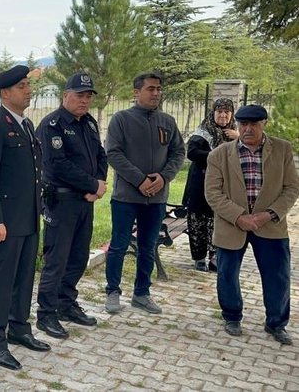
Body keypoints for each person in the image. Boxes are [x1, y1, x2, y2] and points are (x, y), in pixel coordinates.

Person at [205, 104, 299, 345]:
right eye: (243, 124)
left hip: (271, 224)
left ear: (264, 124)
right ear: (237, 125)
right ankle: (232, 316)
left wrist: (269, 214)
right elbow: (213, 193)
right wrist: (239, 217)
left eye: (254, 124)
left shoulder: (282, 149)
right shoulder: (219, 154)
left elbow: (291, 188)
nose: (247, 129)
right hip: (231, 224)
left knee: (278, 276)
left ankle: (276, 323)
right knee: (227, 274)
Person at [0, 65, 49, 371]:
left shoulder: (26, 125)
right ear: (5, 93)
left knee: (24, 277)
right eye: (22, 87)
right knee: (2, 282)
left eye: (28, 85)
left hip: (29, 217)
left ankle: (19, 327)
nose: (29, 90)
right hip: (6, 222)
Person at [104, 72, 185, 315]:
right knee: (118, 245)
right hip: (126, 197)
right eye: (151, 89)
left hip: (156, 198)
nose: (156, 93)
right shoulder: (121, 120)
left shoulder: (167, 121)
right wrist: (139, 180)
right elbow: (113, 153)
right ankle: (112, 291)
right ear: (136, 92)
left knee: (148, 247)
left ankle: (141, 293)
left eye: (158, 89)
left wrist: (163, 177)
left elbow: (178, 153)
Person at [34, 73, 107, 339]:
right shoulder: (52, 125)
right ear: (65, 95)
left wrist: (98, 184)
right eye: (79, 95)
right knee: (57, 259)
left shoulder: (88, 123)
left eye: (88, 96)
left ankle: (66, 304)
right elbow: (57, 165)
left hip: (85, 201)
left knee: (78, 257)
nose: (84, 100)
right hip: (61, 201)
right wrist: (92, 184)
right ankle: (46, 314)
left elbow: (100, 155)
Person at [182, 98, 237, 272]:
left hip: (225, 185)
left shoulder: (235, 133)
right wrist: (216, 154)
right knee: (198, 220)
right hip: (201, 182)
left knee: (218, 221)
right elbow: (192, 153)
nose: (223, 115)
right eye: (219, 112)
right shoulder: (203, 132)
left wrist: (238, 137)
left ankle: (215, 257)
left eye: (227, 112)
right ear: (213, 113)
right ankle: (199, 257)